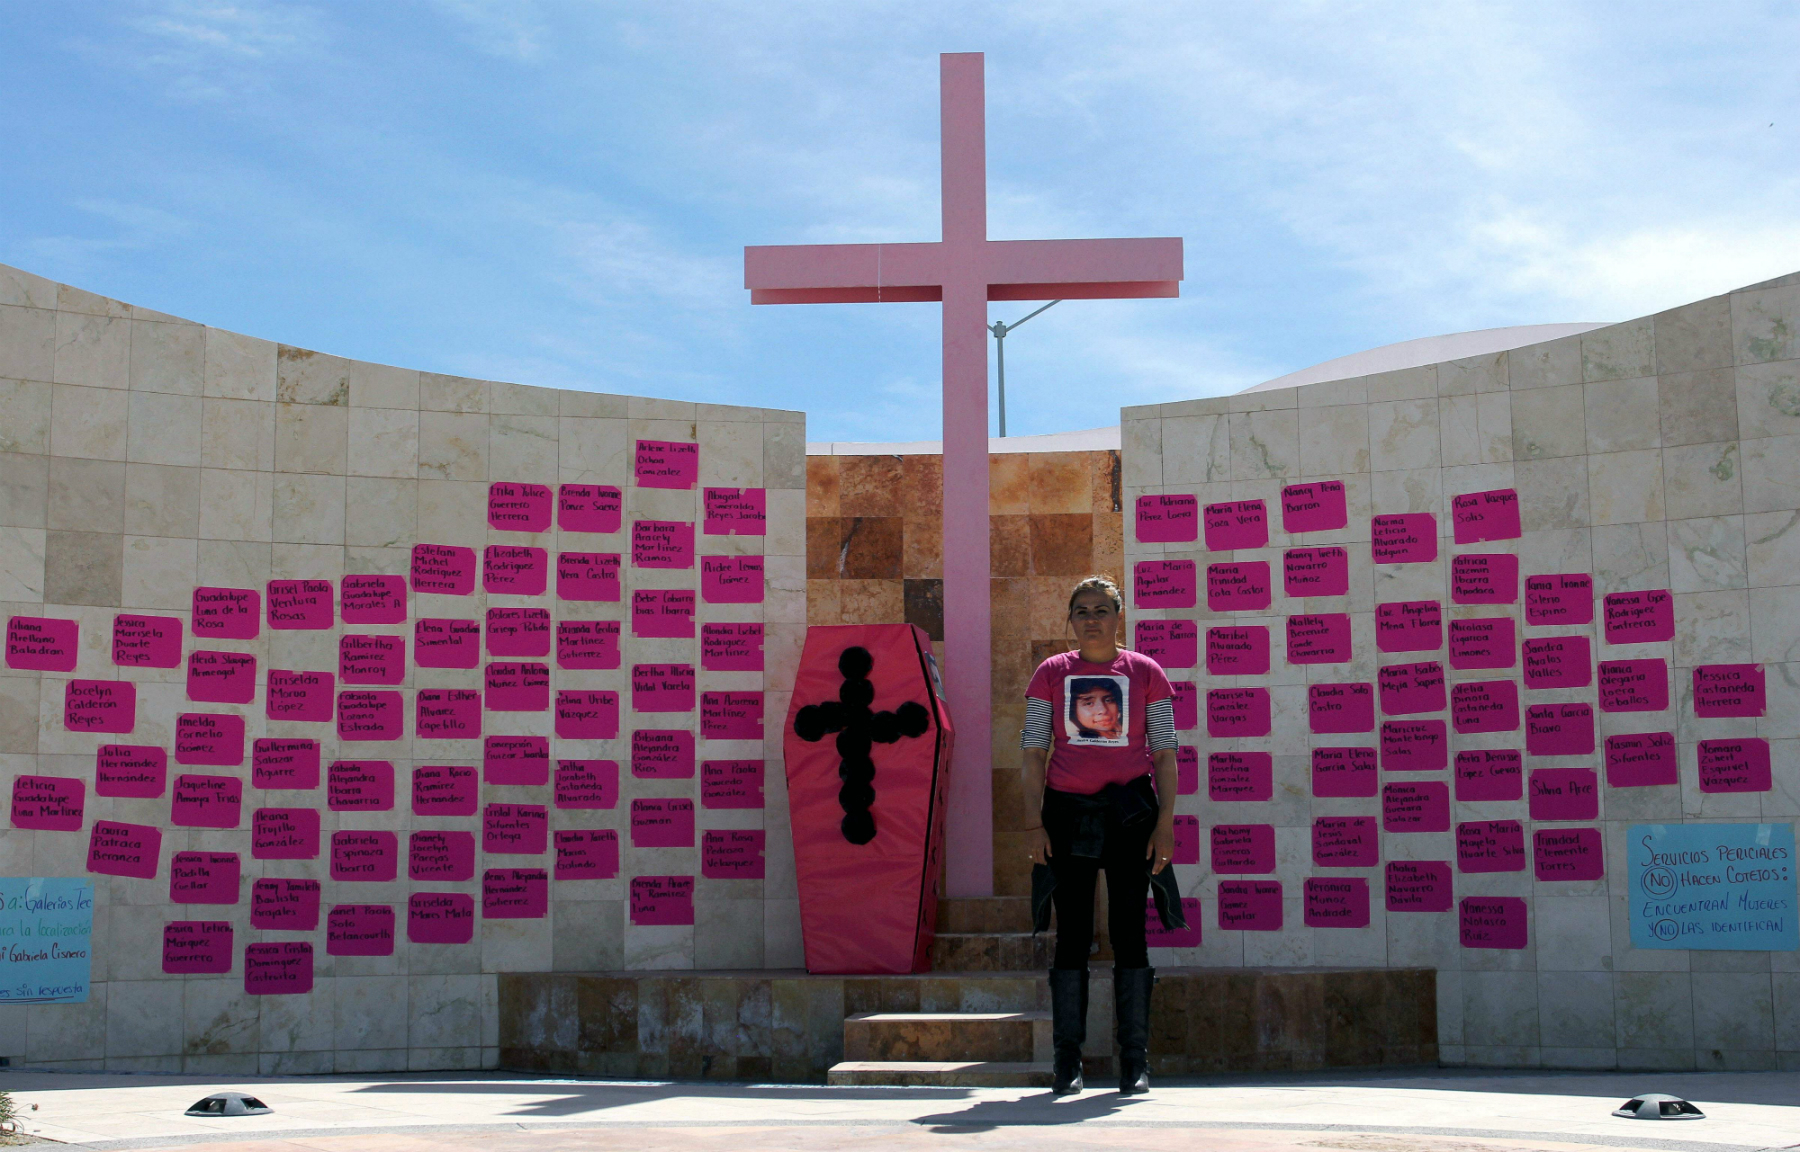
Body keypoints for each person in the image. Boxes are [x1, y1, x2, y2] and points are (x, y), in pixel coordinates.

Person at [1021, 575, 1179, 1096]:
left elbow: (1164, 752)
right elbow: (1031, 750)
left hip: (1132, 815)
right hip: (1067, 816)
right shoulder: (1051, 673)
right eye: (1082, 610)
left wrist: (1165, 825)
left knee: (1131, 930)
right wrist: (1033, 821)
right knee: (1071, 935)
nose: (1092, 618)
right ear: (1070, 619)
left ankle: (1135, 1063)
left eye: (1102, 609)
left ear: (1119, 616)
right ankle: (1067, 1062)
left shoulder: (1144, 671)